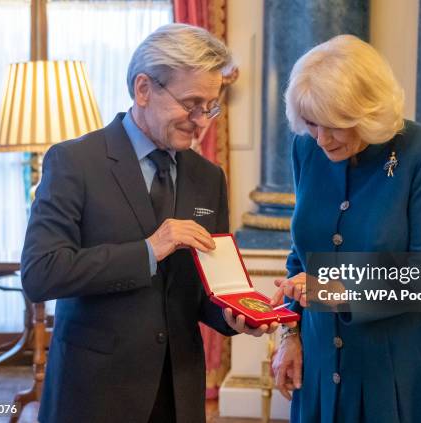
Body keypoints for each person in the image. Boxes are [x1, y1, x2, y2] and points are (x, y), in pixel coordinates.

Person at [21, 23, 277, 423]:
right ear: (143, 89)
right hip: (95, 394)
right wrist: (147, 251)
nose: (201, 120)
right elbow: (41, 274)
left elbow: (204, 289)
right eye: (191, 103)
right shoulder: (75, 162)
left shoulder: (209, 178)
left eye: (210, 106)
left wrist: (230, 315)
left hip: (180, 395)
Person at [270, 34, 421, 423]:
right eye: (310, 123)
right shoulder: (306, 148)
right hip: (321, 365)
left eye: (333, 125)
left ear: (366, 112)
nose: (321, 139)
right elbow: (299, 256)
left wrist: (335, 290)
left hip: (394, 369)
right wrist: (290, 335)